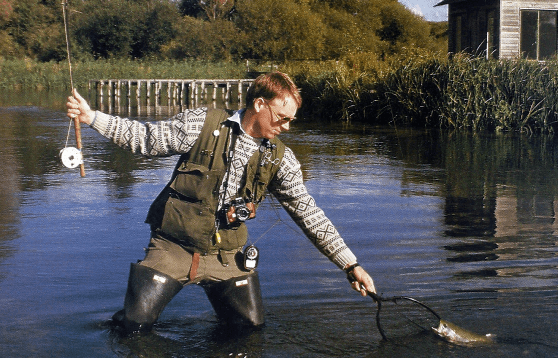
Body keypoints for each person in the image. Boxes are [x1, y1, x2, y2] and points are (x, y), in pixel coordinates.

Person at [66, 71, 375, 335]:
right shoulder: (200, 124)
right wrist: (91, 117)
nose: (287, 127)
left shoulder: (282, 160)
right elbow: (145, 138)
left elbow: (310, 214)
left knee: (250, 332)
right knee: (132, 329)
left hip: (228, 257)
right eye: (282, 118)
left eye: (292, 120)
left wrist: (350, 265)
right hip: (172, 248)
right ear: (259, 105)